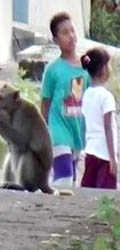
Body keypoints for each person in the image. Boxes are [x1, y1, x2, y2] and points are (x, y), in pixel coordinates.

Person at [40, 12, 91, 187]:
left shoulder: (86, 66)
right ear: (56, 40)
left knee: (72, 179)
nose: (70, 36)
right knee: (65, 177)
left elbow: (91, 96)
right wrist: (44, 131)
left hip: (77, 130)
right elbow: (45, 102)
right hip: (58, 130)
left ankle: (60, 208)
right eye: (64, 32)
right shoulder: (53, 70)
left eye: (72, 31)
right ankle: (54, 210)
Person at [80, 47, 117, 189]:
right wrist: (113, 158)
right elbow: (108, 127)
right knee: (106, 196)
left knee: (89, 192)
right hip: (104, 154)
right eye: (108, 65)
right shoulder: (106, 96)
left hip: (90, 151)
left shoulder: (87, 94)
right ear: (103, 69)